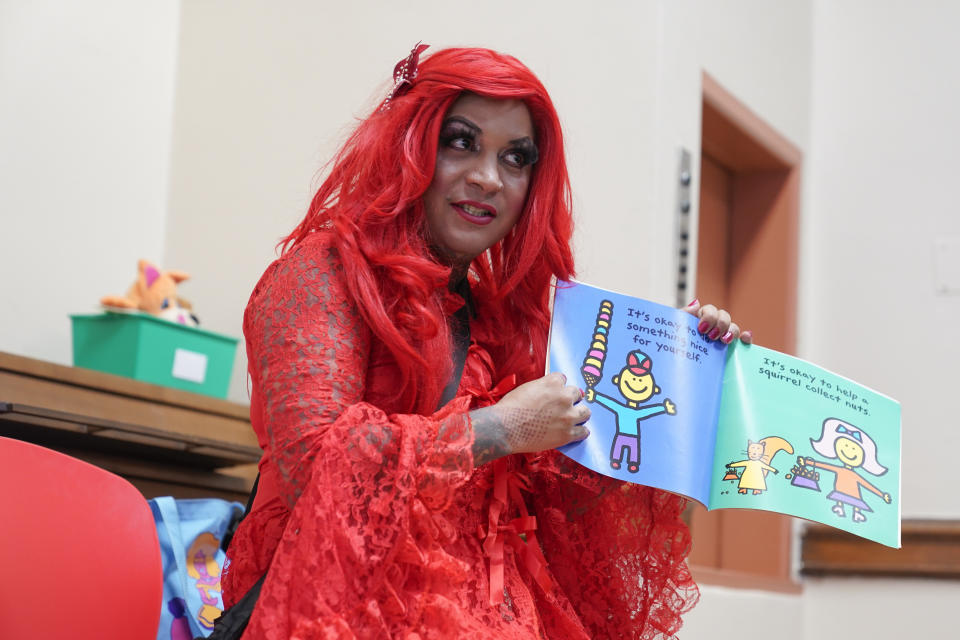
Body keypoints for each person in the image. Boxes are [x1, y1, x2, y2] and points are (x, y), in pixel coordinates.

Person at [221, 45, 751, 639]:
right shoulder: (323, 273)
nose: (487, 177)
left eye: (516, 158)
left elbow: (560, 514)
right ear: (408, 145)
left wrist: (680, 365)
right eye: (461, 141)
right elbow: (312, 469)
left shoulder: (501, 320)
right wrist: (497, 429)